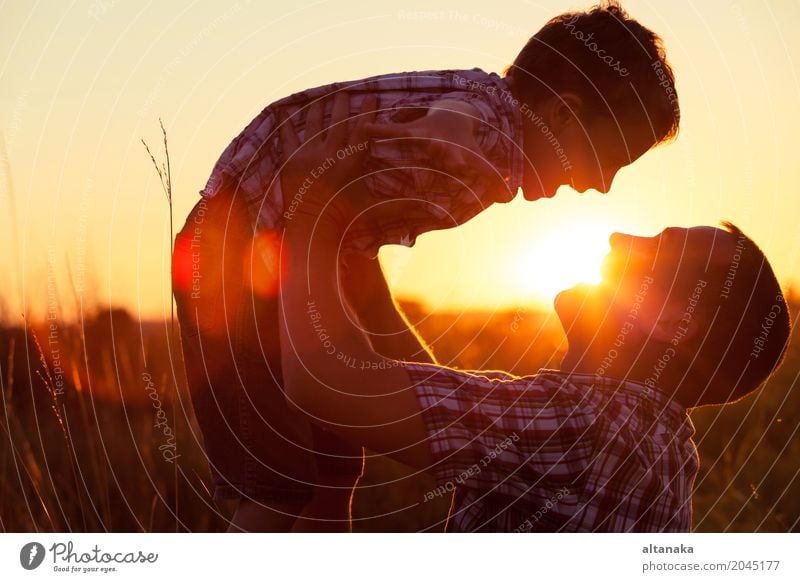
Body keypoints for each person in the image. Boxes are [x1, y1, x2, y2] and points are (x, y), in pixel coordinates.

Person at [173, 1, 681, 531]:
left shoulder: (486, 102)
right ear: (562, 114)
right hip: (234, 251)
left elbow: (354, 239)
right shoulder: (486, 144)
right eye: (607, 160)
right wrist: (407, 142)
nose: (600, 185)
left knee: (337, 468)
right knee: (280, 483)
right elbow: (450, 129)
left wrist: (423, 374)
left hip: (268, 245)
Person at [275, 97, 791, 532]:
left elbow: (326, 386)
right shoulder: (653, 442)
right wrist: (363, 284)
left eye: (657, 249)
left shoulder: (584, 427)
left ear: (672, 321)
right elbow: (445, 405)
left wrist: (315, 207)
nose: (619, 238)